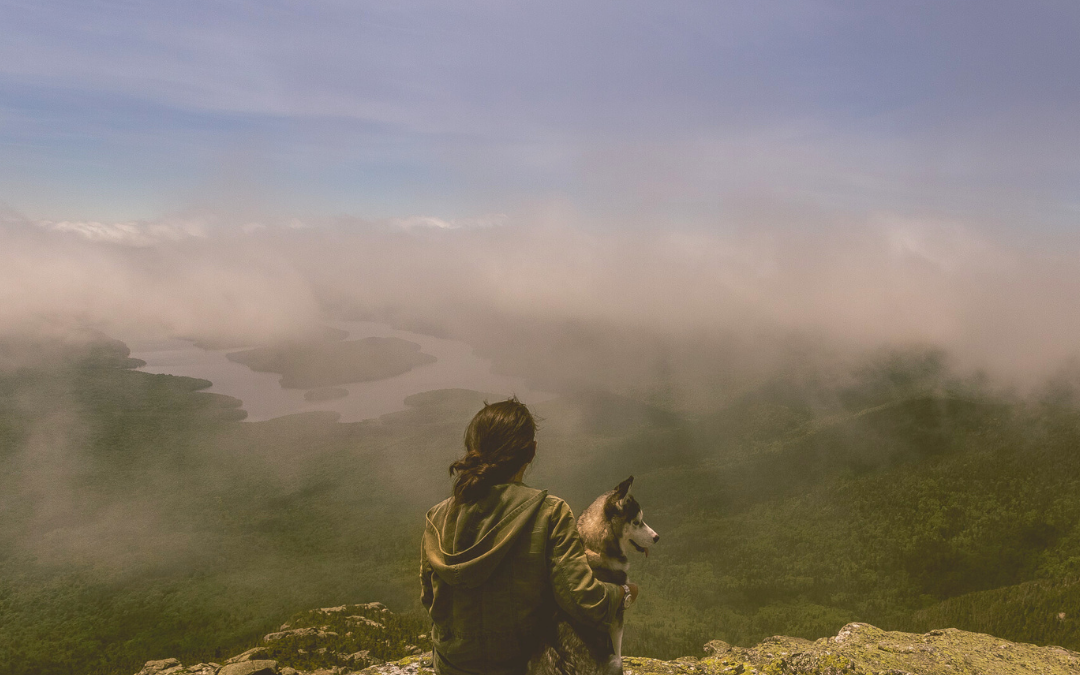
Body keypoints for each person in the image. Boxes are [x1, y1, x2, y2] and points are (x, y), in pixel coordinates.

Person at [421, 397, 639, 675]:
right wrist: (624, 594)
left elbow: (430, 598)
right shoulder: (550, 512)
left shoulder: (437, 517)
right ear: (531, 451)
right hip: (521, 665)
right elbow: (584, 601)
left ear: (472, 450)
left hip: (451, 667)